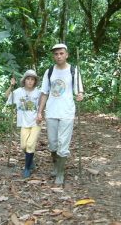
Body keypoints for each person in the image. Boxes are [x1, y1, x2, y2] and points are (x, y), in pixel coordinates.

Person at [37, 43, 84, 184]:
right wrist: (40, 111)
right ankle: (56, 166)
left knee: (63, 143)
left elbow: (79, 90)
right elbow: (44, 92)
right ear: (53, 56)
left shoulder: (74, 70)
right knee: (52, 143)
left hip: (67, 112)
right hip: (51, 111)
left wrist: (80, 95)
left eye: (61, 53)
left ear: (67, 54)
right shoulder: (49, 71)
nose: (59, 56)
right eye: (56, 54)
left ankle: (61, 173)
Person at [5, 70, 42, 178]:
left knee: (30, 145)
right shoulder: (18, 92)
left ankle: (27, 168)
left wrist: (40, 114)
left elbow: (43, 105)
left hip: (35, 123)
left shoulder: (38, 92)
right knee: (23, 146)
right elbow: (6, 96)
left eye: (32, 79)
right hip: (23, 123)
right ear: (24, 80)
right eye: (28, 79)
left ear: (35, 81)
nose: (30, 81)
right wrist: (11, 86)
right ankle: (30, 161)